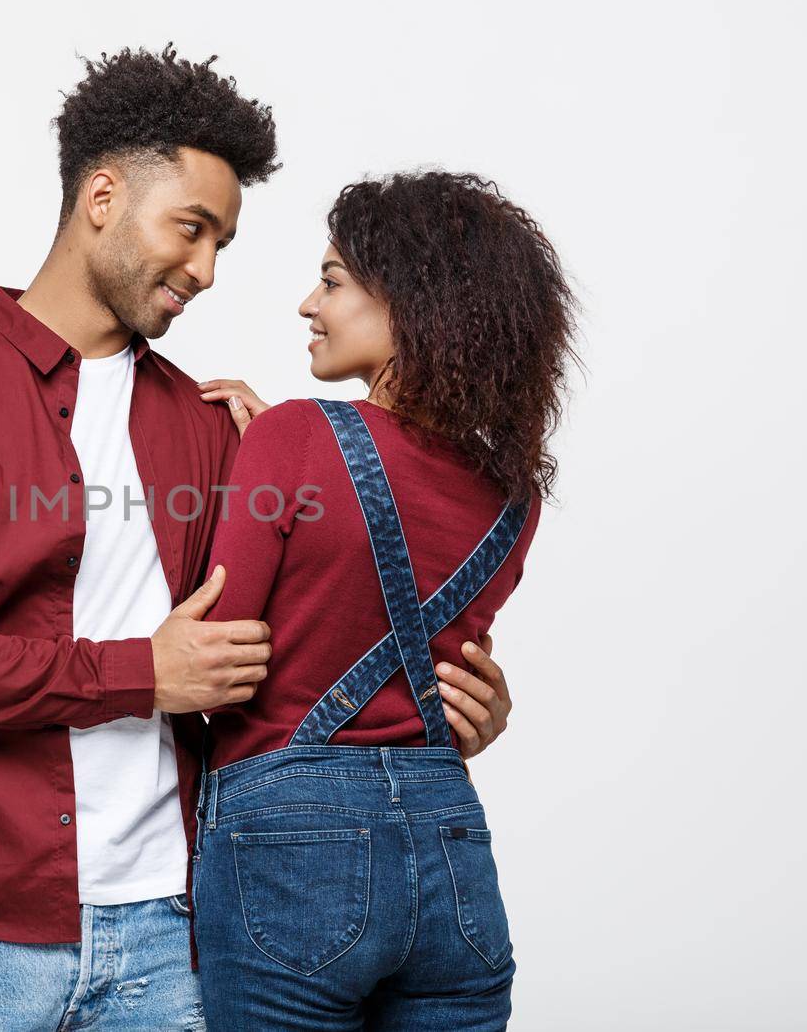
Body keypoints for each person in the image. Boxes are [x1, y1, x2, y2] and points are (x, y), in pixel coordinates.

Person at [0, 44, 516, 1028]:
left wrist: (443, 705)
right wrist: (137, 672)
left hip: (177, 932)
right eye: (190, 229)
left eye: (221, 246)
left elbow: (285, 669)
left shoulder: (213, 427)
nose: (203, 271)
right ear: (103, 198)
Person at [190, 172, 578, 1030]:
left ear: (411, 303)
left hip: (290, 850)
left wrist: (272, 464)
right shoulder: (512, 497)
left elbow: (212, 665)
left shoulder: (293, 435)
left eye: (332, 281)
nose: (306, 303)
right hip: (451, 852)